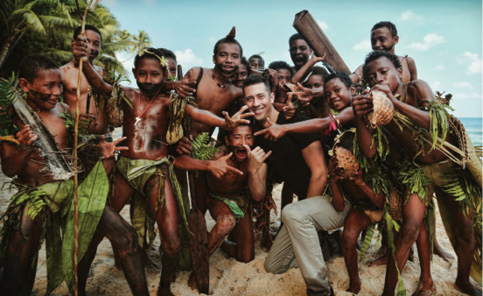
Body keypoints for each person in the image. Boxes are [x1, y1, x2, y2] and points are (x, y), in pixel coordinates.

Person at [73, 40, 250, 295]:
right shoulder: (128, 94)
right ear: (134, 74)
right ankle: (79, 282)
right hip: (125, 168)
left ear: (164, 76)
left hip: (156, 170)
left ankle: (165, 286)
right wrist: (85, 62)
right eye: (142, 73)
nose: (148, 79)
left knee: (172, 240)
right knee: (99, 228)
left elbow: (198, 114)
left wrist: (225, 124)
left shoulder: (169, 102)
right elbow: (100, 85)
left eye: (154, 74)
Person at [0, 54, 148, 296]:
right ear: (25, 85)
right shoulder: (10, 116)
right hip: (36, 195)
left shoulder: (63, 108)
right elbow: (9, 169)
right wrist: (25, 148)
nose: (57, 91)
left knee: (127, 237)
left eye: (59, 84)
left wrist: (98, 150)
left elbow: (73, 150)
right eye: (49, 86)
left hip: (71, 190)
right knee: (17, 260)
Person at [354, 50, 479, 295]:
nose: (377, 79)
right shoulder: (376, 110)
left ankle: (463, 279)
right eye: (371, 77)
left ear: (399, 72)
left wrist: (395, 103)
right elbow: (369, 153)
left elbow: (436, 122)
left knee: (465, 228)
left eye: (383, 72)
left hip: (450, 168)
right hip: (418, 172)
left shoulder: (417, 88)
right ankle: (388, 292)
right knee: (409, 229)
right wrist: (360, 117)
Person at [175, 124, 272, 288]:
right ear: (227, 140)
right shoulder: (216, 154)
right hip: (217, 199)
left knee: (246, 257)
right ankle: (198, 269)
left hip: (240, 202)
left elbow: (258, 195)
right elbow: (179, 161)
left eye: (248, 137)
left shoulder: (257, 160)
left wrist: (254, 170)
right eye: (237, 137)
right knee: (226, 222)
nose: (243, 143)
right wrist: (208, 165)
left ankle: (220, 243)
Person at [60, 25, 109, 136]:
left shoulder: (104, 73)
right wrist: (73, 119)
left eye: (96, 44)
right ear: (75, 43)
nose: (91, 48)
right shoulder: (63, 72)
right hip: (76, 136)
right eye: (87, 42)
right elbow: (52, 106)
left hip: (104, 137)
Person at [351, 21, 417, 85]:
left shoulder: (407, 62)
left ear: (395, 40)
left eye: (382, 40)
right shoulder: (367, 67)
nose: (377, 45)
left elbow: (416, 90)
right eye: (373, 42)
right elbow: (347, 83)